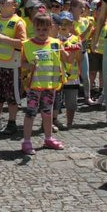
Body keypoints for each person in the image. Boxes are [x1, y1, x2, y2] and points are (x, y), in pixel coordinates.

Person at [21, 12, 66, 155]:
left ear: (51, 27)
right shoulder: (27, 45)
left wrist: (74, 48)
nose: (41, 32)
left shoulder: (55, 43)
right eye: (38, 29)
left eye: (45, 29)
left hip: (50, 86)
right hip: (34, 86)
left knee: (48, 113)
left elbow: (67, 58)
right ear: (34, 27)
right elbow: (21, 63)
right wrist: (30, 66)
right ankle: (26, 141)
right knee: (30, 113)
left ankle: (48, 138)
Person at [0, 0, 26, 135]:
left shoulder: (18, 22)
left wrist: (4, 39)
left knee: (11, 96)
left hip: (11, 64)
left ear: (14, 5)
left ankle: (12, 122)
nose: (2, 0)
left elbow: (22, 43)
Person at [55, 12, 81, 130]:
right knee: (55, 100)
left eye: (67, 23)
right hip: (58, 75)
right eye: (61, 23)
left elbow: (79, 59)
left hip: (72, 76)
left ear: (72, 25)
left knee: (71, 102)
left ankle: (69, 122)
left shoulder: (76, 39)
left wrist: (77, 51)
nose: (64, 25)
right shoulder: (54, 39)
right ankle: (52, 121)